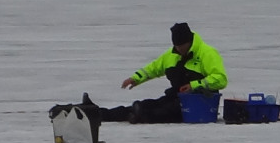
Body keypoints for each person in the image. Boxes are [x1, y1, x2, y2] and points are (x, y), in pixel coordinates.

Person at [92, 22, 228, 124]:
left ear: (189, 42)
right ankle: (98, 114)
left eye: (182, 46)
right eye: (176, 46)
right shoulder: (171, 55)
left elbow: (221, 79)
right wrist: (136, 78)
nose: (179, 49)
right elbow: (154, 68)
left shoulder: (207, 53)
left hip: (198, 102)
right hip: (175, 97)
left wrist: (194, 85)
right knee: (145, 105)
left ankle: (138, 115)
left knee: (159, 113)